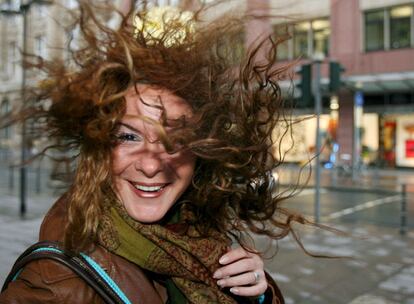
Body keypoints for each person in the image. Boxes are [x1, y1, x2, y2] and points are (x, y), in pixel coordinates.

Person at [0, 1, 300, 303]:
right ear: (99, 147)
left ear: (202, 151)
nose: (151, 165)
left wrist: (257, 294)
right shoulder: (52, 284)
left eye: (176, 139)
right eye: (129, 136)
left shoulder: (202, 237)